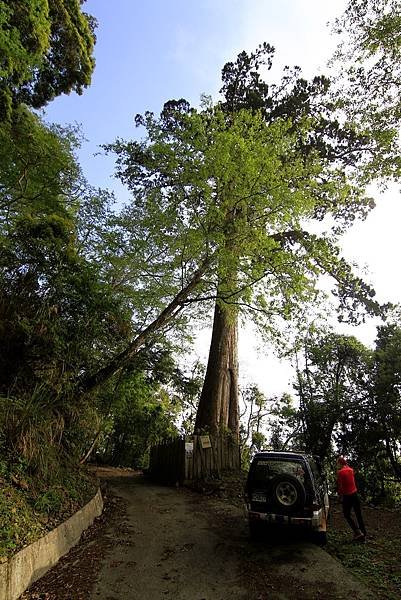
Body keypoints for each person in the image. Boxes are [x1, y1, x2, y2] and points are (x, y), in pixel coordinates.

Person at [337, 456, 366, 542]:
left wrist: (340, 496)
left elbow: (340, 487)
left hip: (347, 496)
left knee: (346, 514)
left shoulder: (340, 472)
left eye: (337, 463)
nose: (336, 465)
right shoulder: (351, 470)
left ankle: (357, 532)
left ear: (339, 463)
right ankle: (363, 534)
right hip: (355, 494)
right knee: (358, 514)